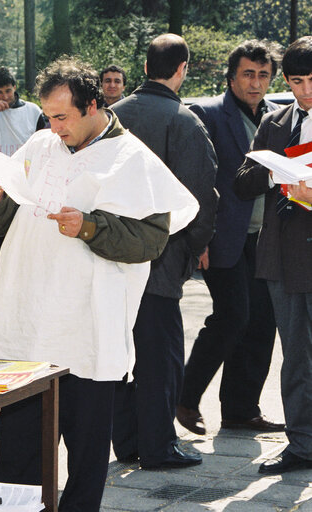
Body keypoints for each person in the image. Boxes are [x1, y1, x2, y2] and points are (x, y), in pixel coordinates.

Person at [0, 57, 198, 511]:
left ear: (94, 104)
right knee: (17, 452)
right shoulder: (40, 145)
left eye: (63, 117)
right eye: (49, 117)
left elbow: (151, 240)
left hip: (86, 330)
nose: (54, 127)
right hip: (28, 325)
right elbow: (0, 224)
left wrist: (90, 227)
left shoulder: (131, 158)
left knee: (85, 455)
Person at [111, 33, 218, 469]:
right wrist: (193, 251)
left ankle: (128, 442)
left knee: (118, 357)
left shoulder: (111, 116)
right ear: (182, 69)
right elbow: (201, 199)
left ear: (144, 68)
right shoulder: (184, 120)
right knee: (162, 360)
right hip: (161, 259)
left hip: (108, 255)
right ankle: (157, 447)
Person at [177, 40, 284, 436]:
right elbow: (194, 180)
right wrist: (197, 237)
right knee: (232, 316)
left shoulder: (278, 117)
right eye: (248, 74)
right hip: (221, 236)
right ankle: (185, 396)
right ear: (231, 76)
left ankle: (240, 410)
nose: (255, 83)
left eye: (263, 75)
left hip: (266, 237)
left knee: (262, 323)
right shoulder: (206, 114)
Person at [234, 36, 312, 474]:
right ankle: (302, 444)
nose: (304, 92)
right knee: (295, 355)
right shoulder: (275, 122)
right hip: (282, 257)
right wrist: (275, 171)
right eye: (296, 81)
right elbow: (242, 182)